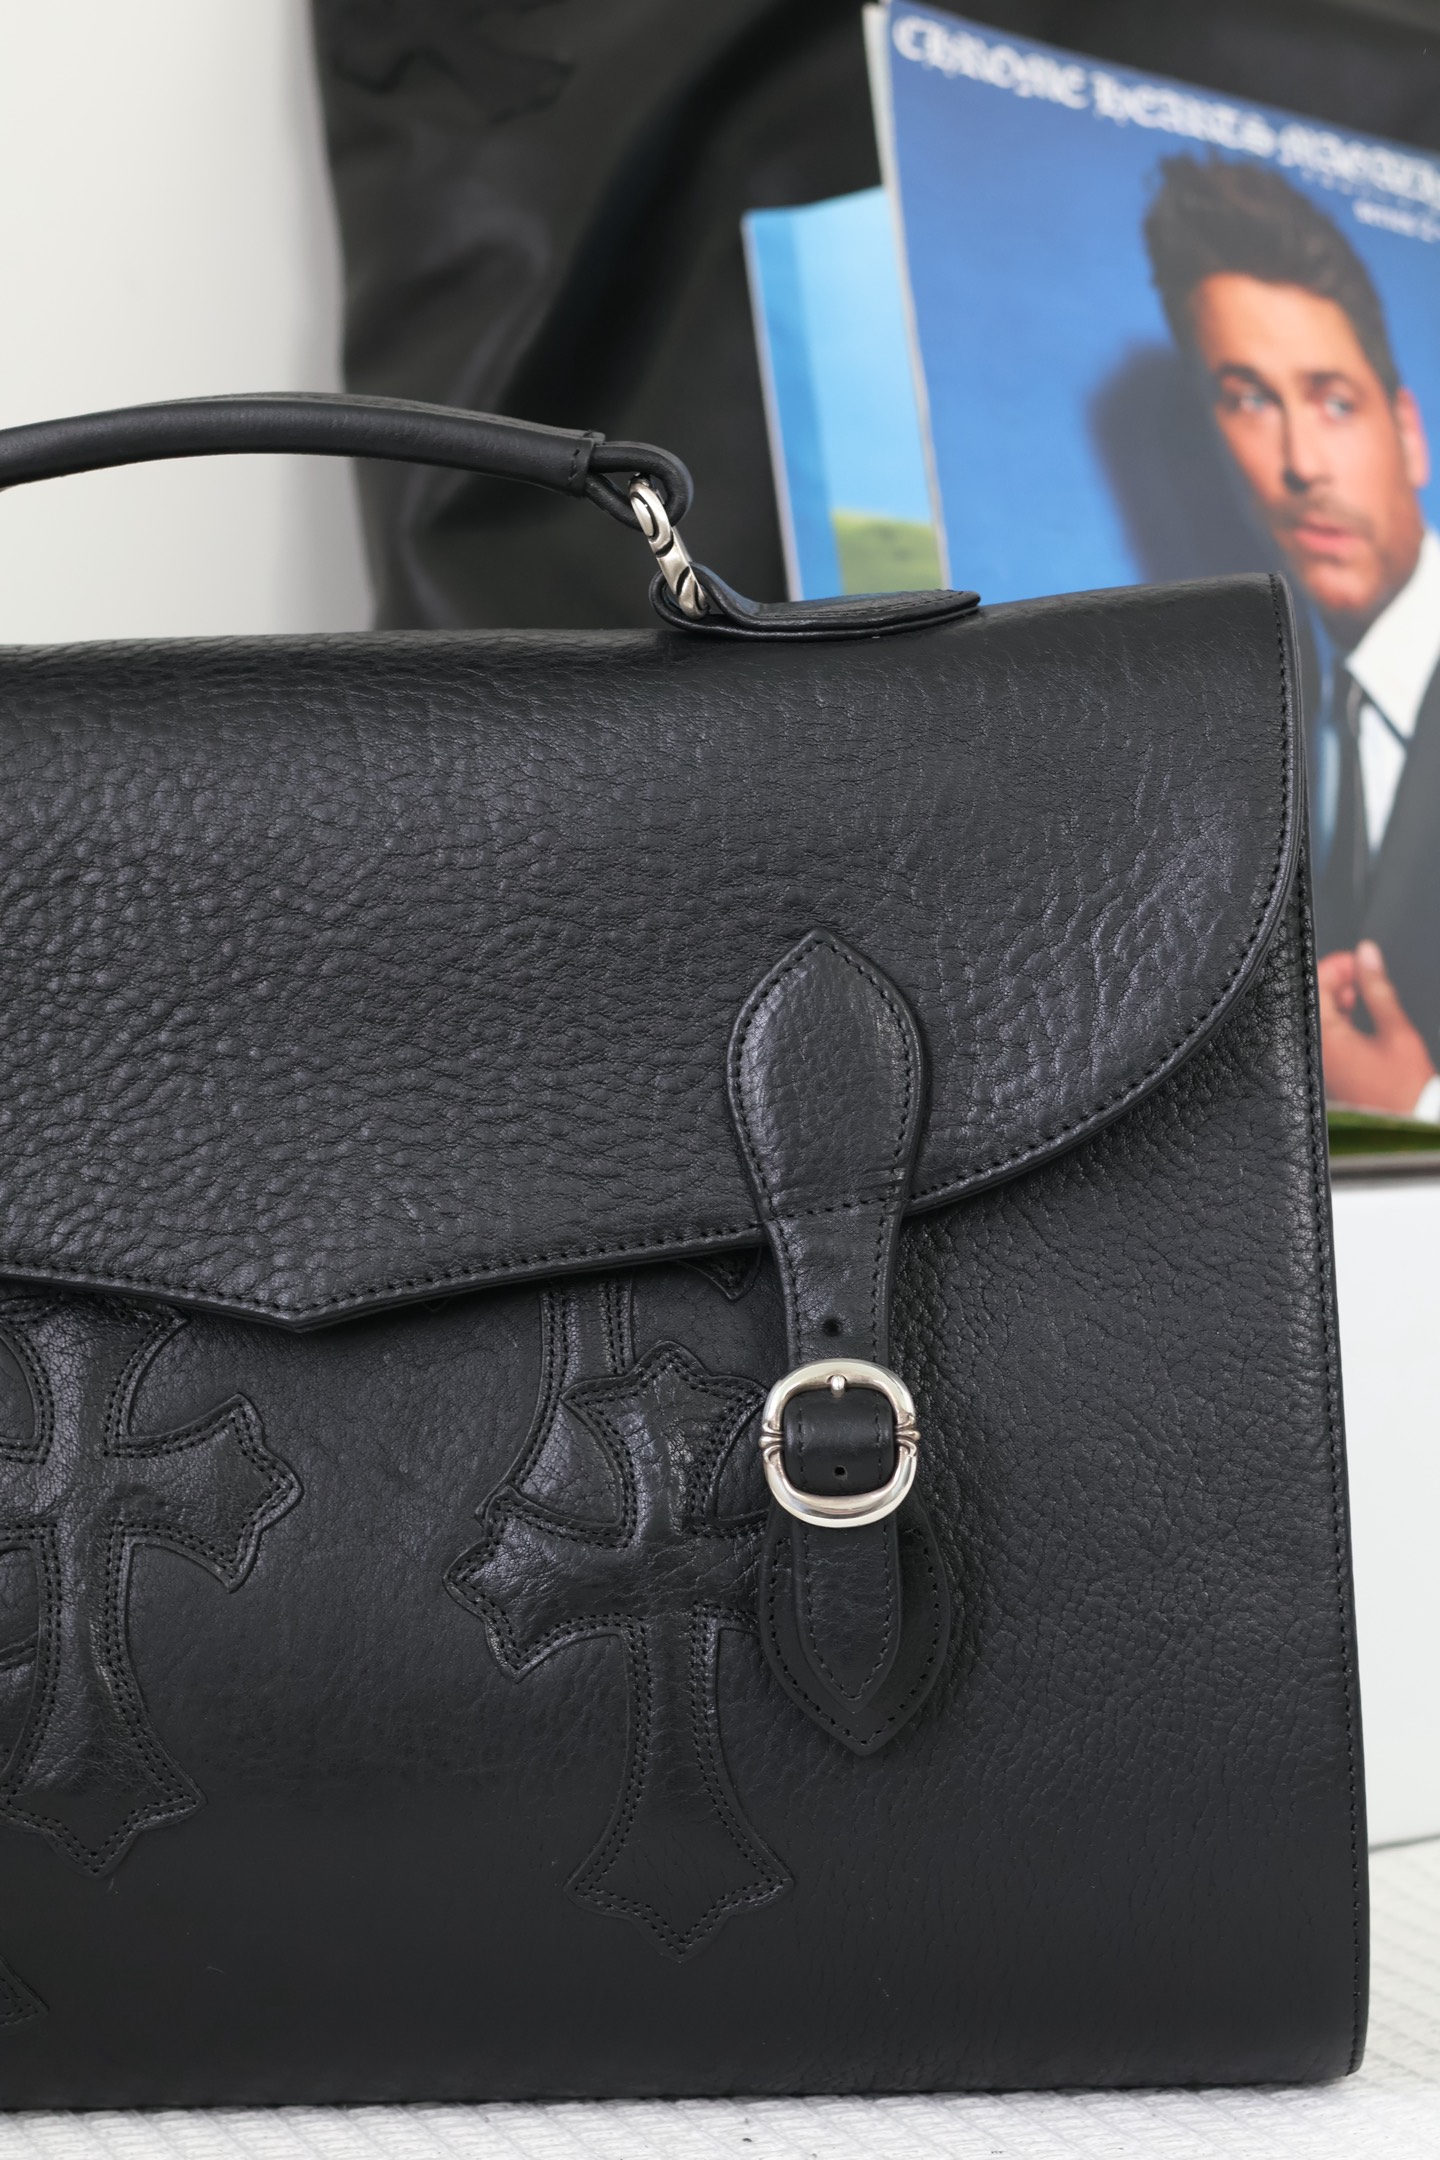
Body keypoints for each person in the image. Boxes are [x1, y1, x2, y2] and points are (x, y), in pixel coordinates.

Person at [1144, 155, 1440, 1118]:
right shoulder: (1276, 725)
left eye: (1334, 400)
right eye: (1250, 399)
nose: (1300, 463)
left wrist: (1416, 1111)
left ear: (1409, 434)